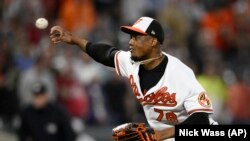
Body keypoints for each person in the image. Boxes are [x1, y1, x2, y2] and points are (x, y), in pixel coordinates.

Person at [50, 16, 217, 141]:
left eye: (136, 37)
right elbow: (106, 54)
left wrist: (158, 134)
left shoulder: (179, 73)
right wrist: (73, 39)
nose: (131, 42)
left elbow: (201, 120)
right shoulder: (133, 62)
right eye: (131, 37)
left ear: (152, 41)